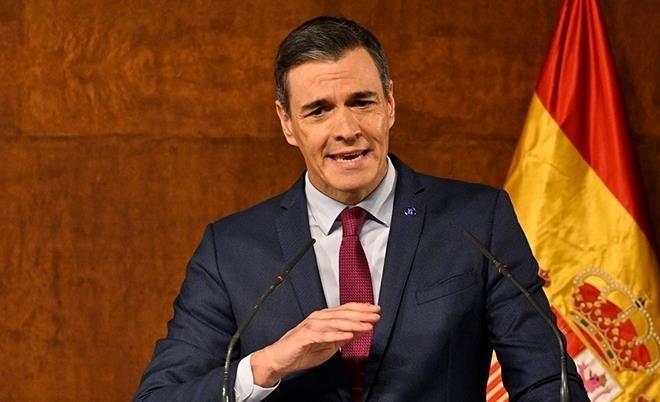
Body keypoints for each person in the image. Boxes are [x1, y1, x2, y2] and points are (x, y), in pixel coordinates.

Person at [135, 16, 588, 401]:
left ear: (389, 105)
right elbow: (159, 396)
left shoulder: (477, 221)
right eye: (318, 111)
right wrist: (266, 365)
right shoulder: (230, 250)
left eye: (362, 102)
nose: (346, 129)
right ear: (287, 123)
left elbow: (547, 382)